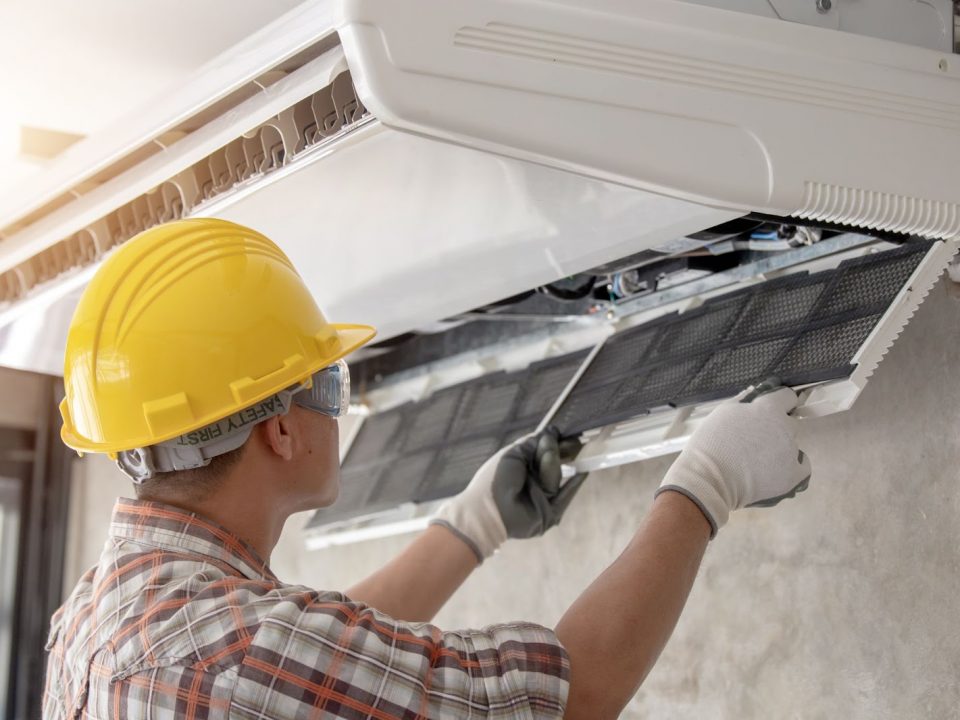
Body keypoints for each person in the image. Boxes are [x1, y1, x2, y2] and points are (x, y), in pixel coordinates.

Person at [44, 219, 811, 719]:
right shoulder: (238, 650)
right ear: (278, 428)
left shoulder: (98, 617)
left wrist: (471, 528)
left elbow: (318, 665)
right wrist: (710, 481)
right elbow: (573, 699)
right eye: (330, 381)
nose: (336, 407)